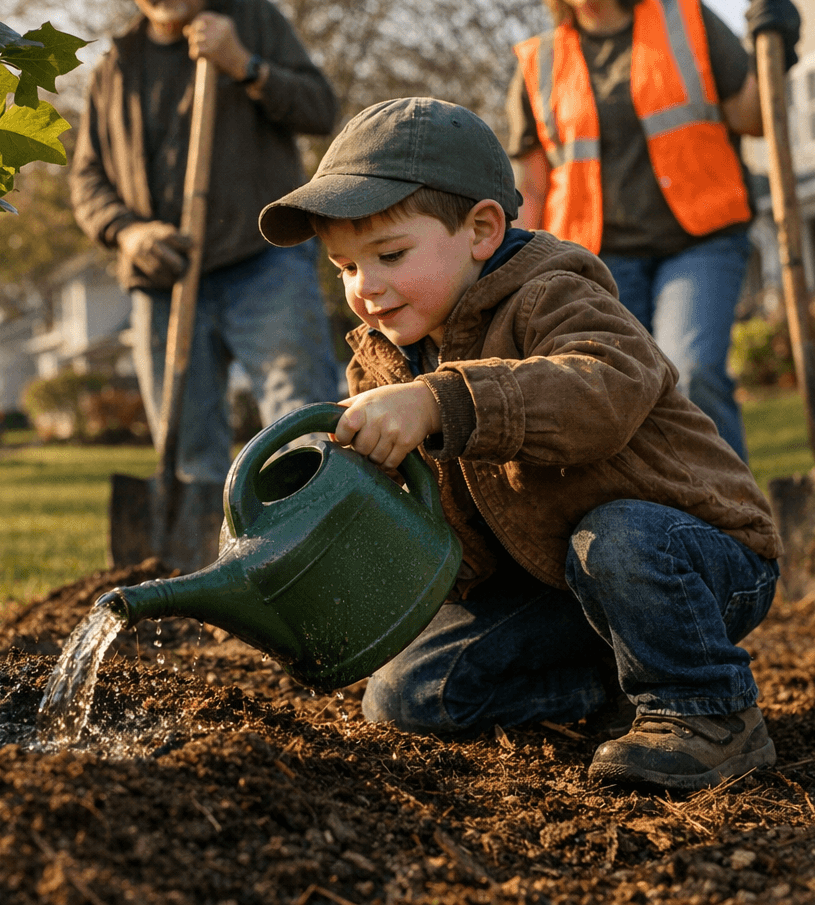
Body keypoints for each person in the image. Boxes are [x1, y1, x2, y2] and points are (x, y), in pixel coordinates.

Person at [259, 97, 783, 790]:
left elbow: (605, 389)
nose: (367, 288)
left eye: (389, 254)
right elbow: (429, 522)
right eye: (345, 267)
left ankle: (707, 711)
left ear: (481, 230)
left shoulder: (553, 295)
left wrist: (439, 402)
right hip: (555, 581)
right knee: (405, 698)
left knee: (617, 537)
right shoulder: (385, 360)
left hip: (693, 558)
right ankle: (612, 685)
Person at [71, 0, 342, 568]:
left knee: (298, 423)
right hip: (165, 284)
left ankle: (316, 566)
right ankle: (206, 583)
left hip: (263, 265)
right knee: (187, 450)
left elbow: (320, 110)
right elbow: (86, 179)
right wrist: (129, 233)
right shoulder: (117, 66)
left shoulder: (251, 20)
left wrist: (244, 65)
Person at [507, 0, 801, 462]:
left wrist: (778, 48)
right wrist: (516, 271)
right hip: (596, 258)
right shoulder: (539, 62)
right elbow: (533, 186)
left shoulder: (684, 21)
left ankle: (731, 519)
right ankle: (661, 518)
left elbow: (754, 117)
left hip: (699, 239)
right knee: (613, 394)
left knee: (691, 371)